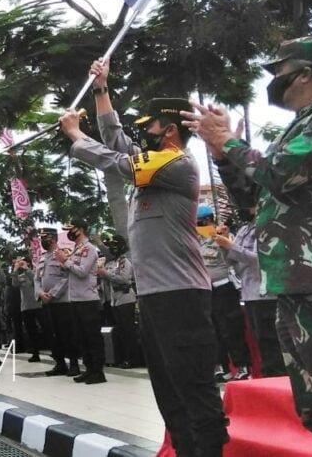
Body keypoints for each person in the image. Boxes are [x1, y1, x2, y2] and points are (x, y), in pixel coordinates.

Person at [183, 36, 312, 454]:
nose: (274, 80)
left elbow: (278, 173)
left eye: (278, 71)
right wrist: (222, 154)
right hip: (295, 285)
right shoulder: (297, 128)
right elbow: (255, 198)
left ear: (302, 73)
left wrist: (229, 141)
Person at [60, 58, 228, 456]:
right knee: (168, 389)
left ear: (169, 130)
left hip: (181, 294)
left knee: (193, 385)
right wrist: (101, 88)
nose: (142, 130)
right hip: (155, 295)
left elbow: (117, 160)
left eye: (149, 124)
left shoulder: (175, 163)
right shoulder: (152, 162)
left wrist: (75, 135)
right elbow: (117, 139)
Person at [218, 207, 286, 377]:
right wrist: (225, 244)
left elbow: (264, 259)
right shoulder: (244, 229)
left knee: (272, 343)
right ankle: (269, 378)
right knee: (261, 342)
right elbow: (233, 260)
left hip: (268, 294)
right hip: (249, 294)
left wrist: (233, 247)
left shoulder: (269, 225)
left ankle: (277, 378)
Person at [196, 206, 252, 382]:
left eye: (203, 221)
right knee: (213, 331)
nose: (200, 225)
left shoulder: (222, 236)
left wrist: (224, 238)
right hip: (206, 290)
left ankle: (242, 366)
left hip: (224, 288)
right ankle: (222, 367)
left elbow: (233, 257)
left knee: (231, 328)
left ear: (210, 220)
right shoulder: (195, 240)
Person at [57, 221, 105, 384]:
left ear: (80, 230)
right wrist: (64, 262)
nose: (69, 233)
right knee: (82, 337)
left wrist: (66, 261)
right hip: (76, 299)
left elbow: (83, 272)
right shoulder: (76, 250)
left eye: (71, 230)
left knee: (92, 337)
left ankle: (98, 371)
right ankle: (89, 368)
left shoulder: (89, 249)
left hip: (88, 300)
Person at [36, 232, 76, 376]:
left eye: (45, 238)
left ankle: (73, 364)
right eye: (41, 239)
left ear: (53, 239)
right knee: (52, 334)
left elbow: (66, 277)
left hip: (62, 301)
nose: (43, 241)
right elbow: (37, 279)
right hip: (46, 302)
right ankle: (59, 364)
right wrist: (40, 293)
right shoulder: (42, 258)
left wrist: (53, 293)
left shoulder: (62, 254)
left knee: (67, 334)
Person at [98, 234, 140, 369]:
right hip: (114, 299)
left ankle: (132, 358)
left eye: (113, 246)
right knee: (120, 330)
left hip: (126, 297)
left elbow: (123, 278)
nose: (110, 249)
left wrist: (105, 274)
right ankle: (121, 356)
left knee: (128, 330)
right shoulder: (110, 263)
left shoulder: (124, 262)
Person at [14, 257, 46, 363]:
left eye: (22, 261)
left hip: (38, 305)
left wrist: (27, 269)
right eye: (19, 262)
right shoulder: (19, 276)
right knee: (31, 331)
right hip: (26, 306)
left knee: (46, 328)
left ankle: (55, 350)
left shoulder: (33, 272)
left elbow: (36, 280)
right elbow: (14, 284)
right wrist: (15, 270)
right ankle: (35, 353)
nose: (21, 264)